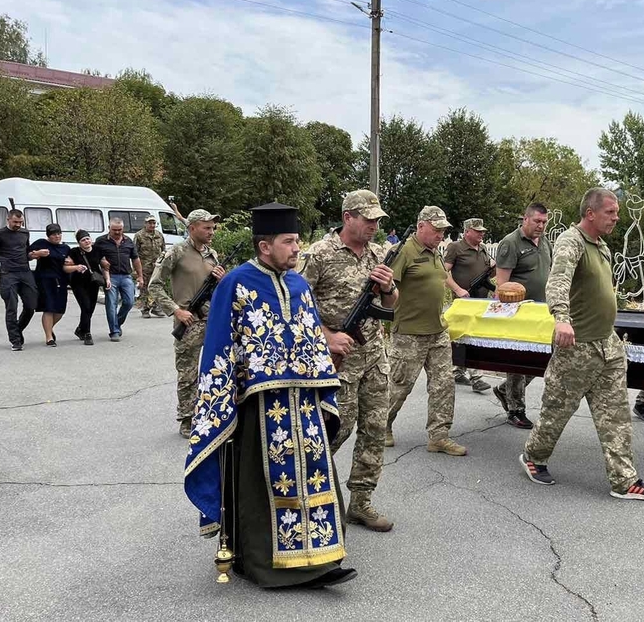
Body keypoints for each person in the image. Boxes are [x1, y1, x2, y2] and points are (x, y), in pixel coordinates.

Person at [184, 202, 355, 589]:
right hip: (260, 410)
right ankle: (265, 565)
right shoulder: (236, 284)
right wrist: (221, 402)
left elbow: (312, 340)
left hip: (305, 407)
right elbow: (219, 347)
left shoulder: (299, 285)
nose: (297, 248)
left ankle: (322, 559)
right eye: (289, 241)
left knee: (315, 477)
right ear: (265, 246)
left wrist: (324, 375)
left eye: (297, 240)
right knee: (263, 486)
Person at [519, 188, 644, 501]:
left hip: (607, 345)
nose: (616, 218)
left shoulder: (602, 246)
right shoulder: (571, 241)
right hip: (577, 348)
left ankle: (625, 481)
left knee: (616, 416)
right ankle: (533, 456)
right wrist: (561, 318)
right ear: (590, 213)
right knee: (556, 412)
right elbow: (558, 281)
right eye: (610, 212)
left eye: (617, 212)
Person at [301, 190, 398, 532]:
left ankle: (360, 502)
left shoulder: (379, 254)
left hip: (374, 358)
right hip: (336, 360)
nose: (374, 226)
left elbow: (392, 304)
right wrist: (327, 336)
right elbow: (295, 305)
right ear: (348, 218)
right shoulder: (319, 254)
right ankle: (304, 494)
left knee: (374, 430)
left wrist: (389, 287)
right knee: (335, 430)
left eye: (377, 221)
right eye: (368, 219)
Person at [386, 206, 467, 456]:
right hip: (409, 333)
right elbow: (386, 290)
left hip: (437, 331)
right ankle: (380, 426)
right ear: (421, 226)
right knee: (400, 386)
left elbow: (440, 279)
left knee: (444, 385)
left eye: (443, 230)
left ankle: (439, 437)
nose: (441, 234)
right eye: (436, 229)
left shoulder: (435, 252)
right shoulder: (402, 251)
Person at [149, 209, 223, 438]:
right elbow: (154, 285)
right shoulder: (176, 252)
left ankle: (212, 413)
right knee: (188, 374)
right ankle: (187, 419)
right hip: (189, 322)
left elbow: (219, 289)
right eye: (206, 227)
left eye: (212, 228)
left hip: (212, 321)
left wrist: (223, 279)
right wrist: (176, 310)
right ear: (192, 228)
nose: (211, 232)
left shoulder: (212, 254)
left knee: (216, 370)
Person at [493, 203, 553, 429]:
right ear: (525, 219)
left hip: (542, 311)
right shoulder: (510, 243)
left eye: (544, 222)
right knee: (518, 362)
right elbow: (502, 285)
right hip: (519, 314)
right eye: (537, 221)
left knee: (542, 360)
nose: (541, 226)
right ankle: (515, 409)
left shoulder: (545, 242)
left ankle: (505, 391)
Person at [0, 209, 49, 351]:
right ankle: (15, 340)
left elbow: (27, 254)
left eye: (21, 222)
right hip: (8, 274)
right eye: (15, 222)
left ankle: (17, 329)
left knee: (31, 306)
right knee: (11, 307)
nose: (18, 225)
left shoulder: (25, 233)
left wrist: (35, 254)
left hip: (25, 272)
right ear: (8, 220)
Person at [443, 218, 495, 394]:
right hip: (464, 302)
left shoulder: (483, 249)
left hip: (481, 301)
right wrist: (458, 290)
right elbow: (443, 272)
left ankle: (457, 371)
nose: (482, 234)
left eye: (482, 231)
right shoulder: (456, 247)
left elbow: (490, 272)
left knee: (467, 337)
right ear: (467, 232)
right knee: (471, 336)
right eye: (478, 231)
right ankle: (477, 377)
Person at [29, 224, 86, 346]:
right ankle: (49, 337)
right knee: (49, 308)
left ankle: (49, 328)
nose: (57, 236)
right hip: (45, 280)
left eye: (59, 234)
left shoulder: (65, 248)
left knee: (60, 310)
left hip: (61, 281)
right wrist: (37, 253)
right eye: (54, 234)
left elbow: (71, 261)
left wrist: (71, 262)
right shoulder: (41, 243)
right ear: (48, 235)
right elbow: (28, 255)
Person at [94, 218, 144, 341]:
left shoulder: (128, 241)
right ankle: (114, 331)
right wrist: (101, 261)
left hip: (126, 276)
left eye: (120, 230)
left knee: (129, 302)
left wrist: (140, 276)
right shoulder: (100, 241)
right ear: (109, 228)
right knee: (111, 304)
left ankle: (117, 322)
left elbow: (135, 259)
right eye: (114, 230)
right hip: (110, 277)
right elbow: (93, 257)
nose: (117, 232)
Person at [68, 230, 109, 346]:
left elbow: (104, 266)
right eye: (83, 240)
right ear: (79, 243)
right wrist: (76, 267)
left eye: (87, 238)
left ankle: (80, 328)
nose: (86, 241)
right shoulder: (74, 252)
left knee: (90, 308)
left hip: (93, 282)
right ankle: (87, 333)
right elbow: (67, 265)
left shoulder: (97, 250)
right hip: (78, 283)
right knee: (85, 306)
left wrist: (107, 279)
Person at [134, 215, 167, 318]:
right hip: (144, 267)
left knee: (157, 287)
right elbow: (134, 253)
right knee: (145, 288)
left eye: (153, 223)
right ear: (145, 224)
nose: (152, 225)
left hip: (157, 267)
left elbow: (164, 250)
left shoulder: (159, 235)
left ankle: (156, 307)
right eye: (150, 223)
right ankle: (145, 309)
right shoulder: (139, 235)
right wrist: (136, 270)